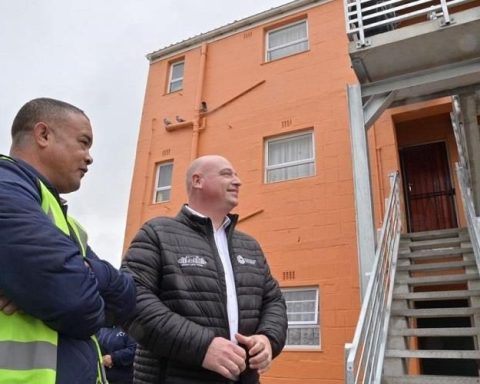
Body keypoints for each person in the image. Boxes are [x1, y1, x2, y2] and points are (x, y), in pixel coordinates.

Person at [0, 97, 136, 384]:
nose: (89, 157)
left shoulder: (64, 220)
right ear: (43, 135)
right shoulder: (5, 187)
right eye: (83, 142)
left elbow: (125, 298)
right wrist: (78, 282)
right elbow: (78, 304)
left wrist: (89, 274)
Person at [122, 154, 288, 384]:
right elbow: (132, 301)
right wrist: (202, 347)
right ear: (197, 181)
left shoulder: (249, 246)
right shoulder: (157, 233)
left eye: (236, 175)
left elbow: (274, 301)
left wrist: (269, 338)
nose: (238, 181)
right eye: (226, 174)